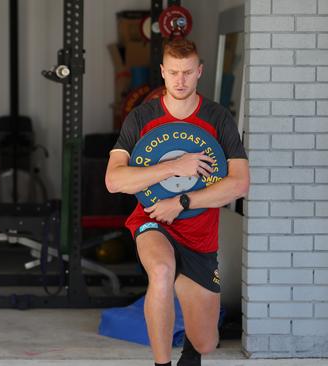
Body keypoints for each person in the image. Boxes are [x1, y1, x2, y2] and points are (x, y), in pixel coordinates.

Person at [105, 38, 249, 366]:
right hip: (153, 220)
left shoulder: (218, 117)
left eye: (187, 72)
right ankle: (162, 364)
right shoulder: (142, 118)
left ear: (199, 71)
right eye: (173, 73)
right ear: (162, 73)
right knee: (161, 269)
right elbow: (114, 181)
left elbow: (239, 184)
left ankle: (191, 355)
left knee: (206, 340)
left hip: (199, 234)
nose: (180, 80)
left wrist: (182, 201)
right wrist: (175, 166)